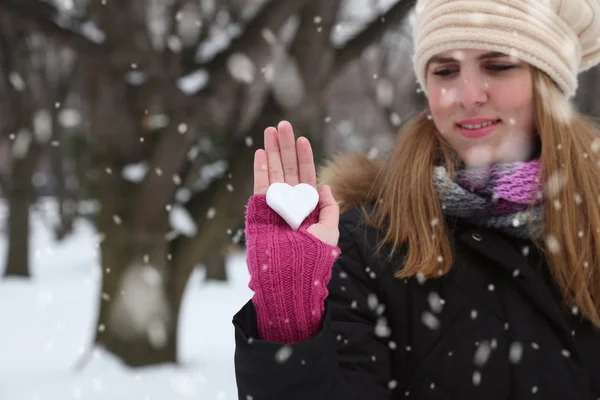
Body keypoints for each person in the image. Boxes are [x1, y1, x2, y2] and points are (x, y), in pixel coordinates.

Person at [232, 0, 600, 398]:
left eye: (499, 66)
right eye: (445, 71)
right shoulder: (369, 245)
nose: (468, 94)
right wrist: (291, 318)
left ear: (548, 85)